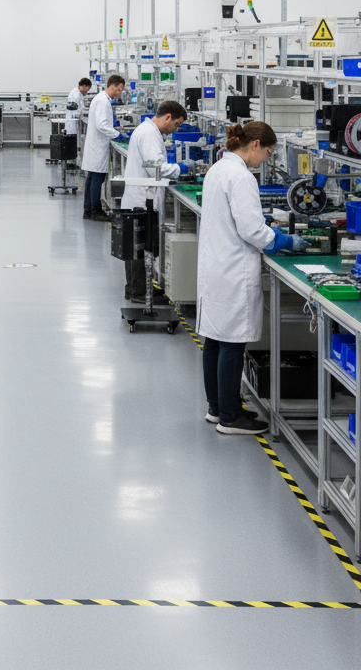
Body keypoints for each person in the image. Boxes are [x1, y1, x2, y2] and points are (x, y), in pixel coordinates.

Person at [197, 121, 308, 435]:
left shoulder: (219, 169)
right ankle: (231, 418)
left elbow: (237, 218)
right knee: (232, 343)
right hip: (233, 268)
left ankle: (217, 409)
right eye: (269, 153)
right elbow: (251, 231)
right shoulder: (241, 176)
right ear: (255, 145)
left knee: (215, 341)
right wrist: (283, 240)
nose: (267, 160)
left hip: (216, 265)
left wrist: (261, 220)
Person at [120, 100, 189, 303]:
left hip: (139, 197)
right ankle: (139, 292)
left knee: (136, 248)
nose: (175, 129)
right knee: (139, 248)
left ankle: (135, 288)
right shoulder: (149, 134)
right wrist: (180, 168)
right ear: (167, 117)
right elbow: (155, 168)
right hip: (141, 199)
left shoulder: (148, 130)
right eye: (176, 124)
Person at [81, 74, 126, 220]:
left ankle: (88, 210)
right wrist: (116, 134)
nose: (119, 93)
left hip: (95, 145)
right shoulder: (103, 101)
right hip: (98, 146)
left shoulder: (101, 99)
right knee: (97, 178)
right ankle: (95, 211)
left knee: (92, 178)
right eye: (119, 90)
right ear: (112, 86)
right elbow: (102, 125)